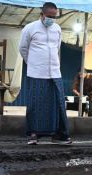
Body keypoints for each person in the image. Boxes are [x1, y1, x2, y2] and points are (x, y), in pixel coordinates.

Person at [19, 2, 71, 145]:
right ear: (41, 14)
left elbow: (57, 47)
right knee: (35, 103)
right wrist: (34, 63)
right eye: (49, 16)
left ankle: (59, 135)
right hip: (36, 73)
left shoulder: (57, 29)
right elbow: (23, 48)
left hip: (54, 72)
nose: (52, 19)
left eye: (54, 17)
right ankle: (33, 135)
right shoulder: (30, 28)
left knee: (58, 103)